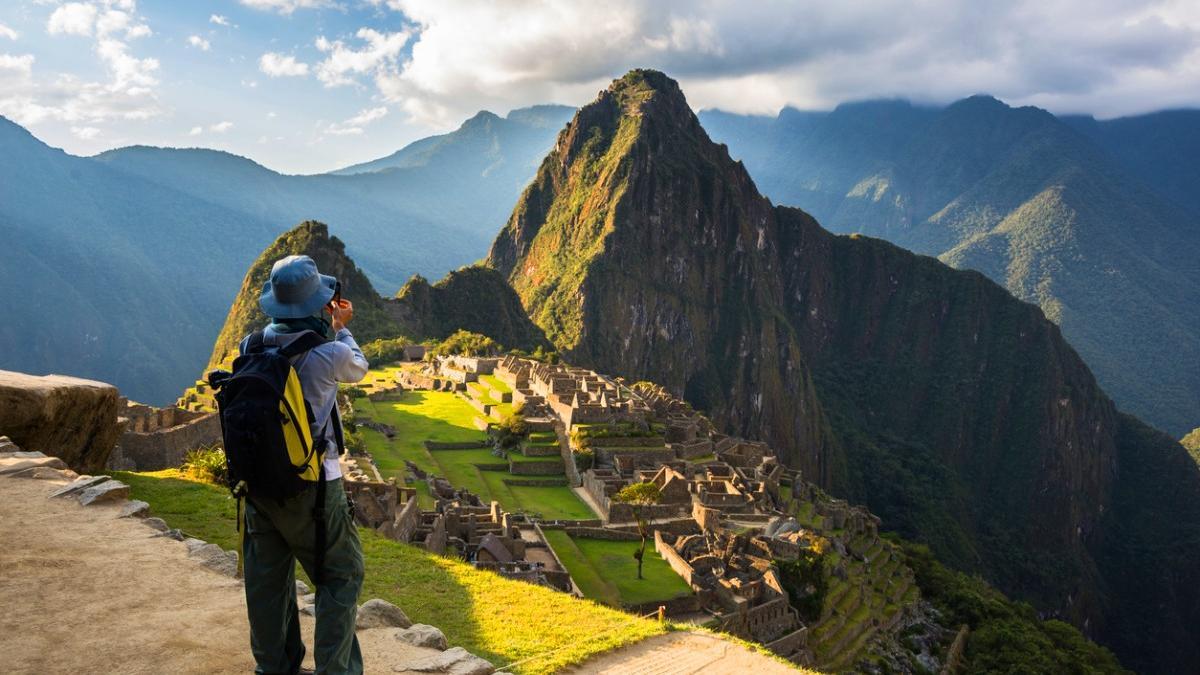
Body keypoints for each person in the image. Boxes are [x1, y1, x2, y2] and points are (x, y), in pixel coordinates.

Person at [240, 254, 370, 675]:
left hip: (258, 485)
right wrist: (342, 326)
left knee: (267, 585)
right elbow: (359, 367)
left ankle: (273, 668)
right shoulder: (330, 353)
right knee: (342, 575)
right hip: (313, 488)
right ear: (316, 302)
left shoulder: (251, 346)